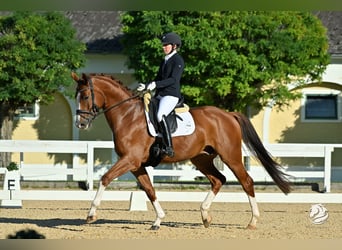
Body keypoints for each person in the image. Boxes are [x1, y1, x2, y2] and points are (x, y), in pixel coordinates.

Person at [137, 32, 185, 158]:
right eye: (163, 45)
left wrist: (155, 85)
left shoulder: (177, 60)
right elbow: (158, 78)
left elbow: (173, 80)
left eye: (166, 45)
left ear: (174, 46)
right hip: (160, 94)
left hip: (171, 95)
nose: (163, 47)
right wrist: (147, 85)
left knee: (160, 115)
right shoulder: (164, 60)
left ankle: (169, 146)